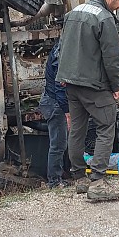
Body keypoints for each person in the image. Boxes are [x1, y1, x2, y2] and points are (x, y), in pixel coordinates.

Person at [56, 0, 119, 201]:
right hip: (94, 85)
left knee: (77, 129)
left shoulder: (74, 12)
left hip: (71, 83)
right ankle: (98, 182)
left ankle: (79, 178)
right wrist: (116, 86)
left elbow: (62, 47)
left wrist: (64, 75)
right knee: (106, 127)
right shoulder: (104, 18)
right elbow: (112, 57)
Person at [39, 40, 70, 188]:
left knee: (60, 143)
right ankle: (54, 181)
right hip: (55, 103)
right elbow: (60, 85)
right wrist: (67, 111)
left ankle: (59, 176)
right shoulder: (63, 50)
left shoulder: (60, 47)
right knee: (58, 144)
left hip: (52, 101)